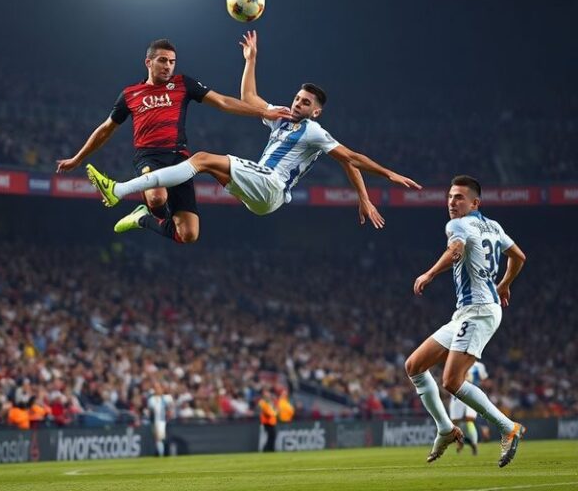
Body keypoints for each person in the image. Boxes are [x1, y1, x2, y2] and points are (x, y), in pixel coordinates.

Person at [85, 31, 420, 222]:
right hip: (260, 197)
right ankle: (147, 214)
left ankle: (119, 190)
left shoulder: (314, 132)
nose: (297, 103)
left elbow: (352, 158)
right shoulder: (283, 118)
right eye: (297, 98)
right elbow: (249, 98)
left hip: (271, 186)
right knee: (204, 169)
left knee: (201, 159)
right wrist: (251, 60)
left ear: (316, 112)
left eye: (305, 103)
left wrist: (386, 177)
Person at [56, 38, 291, 244]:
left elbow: (223, 102)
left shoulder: (183, 84)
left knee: (189, 235)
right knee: (158, 196)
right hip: (149, 156)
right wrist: (78, 158)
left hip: (179, 159)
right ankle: (148, 202)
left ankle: (141, 218)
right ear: (148, 62)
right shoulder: (130, 94)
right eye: (162, 60)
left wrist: (262, 112)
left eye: (172, 61)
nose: (168, 66)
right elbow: (106, 129)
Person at [404, 175, 527, 467]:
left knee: (451, 381)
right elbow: (519, 256)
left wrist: (429, 273)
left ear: (475, 203)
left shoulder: (457, 225)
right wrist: (506, 284)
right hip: (469, 311)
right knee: (414, 366)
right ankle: (446, 429)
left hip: (480, 310)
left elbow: (455, 250)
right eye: (449, 197)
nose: (451, 202)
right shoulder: (494, 226)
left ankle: (507, 427)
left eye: (459, 197)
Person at [449, 361, 488, 455]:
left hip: (470, 395)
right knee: (455, 422)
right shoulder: (455, 361)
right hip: (456, 396)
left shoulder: (478, 366)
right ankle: (460, 442)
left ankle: (473, 444)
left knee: (469, 420)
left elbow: (484, 380)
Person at [147, 382, 174, 457]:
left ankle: (162, 454)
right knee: (158, 439)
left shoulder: (167, 398)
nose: (157, 389)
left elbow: (171, 406)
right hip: (158, 422)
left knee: (162, 439)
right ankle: (161, 454)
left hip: (166, 421)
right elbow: (150, 411)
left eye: (158, 388)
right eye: (155, 388)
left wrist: (169, 411)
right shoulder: (151, 399)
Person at [258, 387, 278, 452]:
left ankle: (270, 449)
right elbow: (269, 413)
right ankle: (267, 449)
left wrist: (274, 411)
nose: (268, 396)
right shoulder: (263, 403)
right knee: (270, 437)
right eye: (266, 394)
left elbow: (272, 411)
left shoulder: (269, 403)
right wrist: (275, 412)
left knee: (272, 436)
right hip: (267, 422)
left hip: (271, 422)